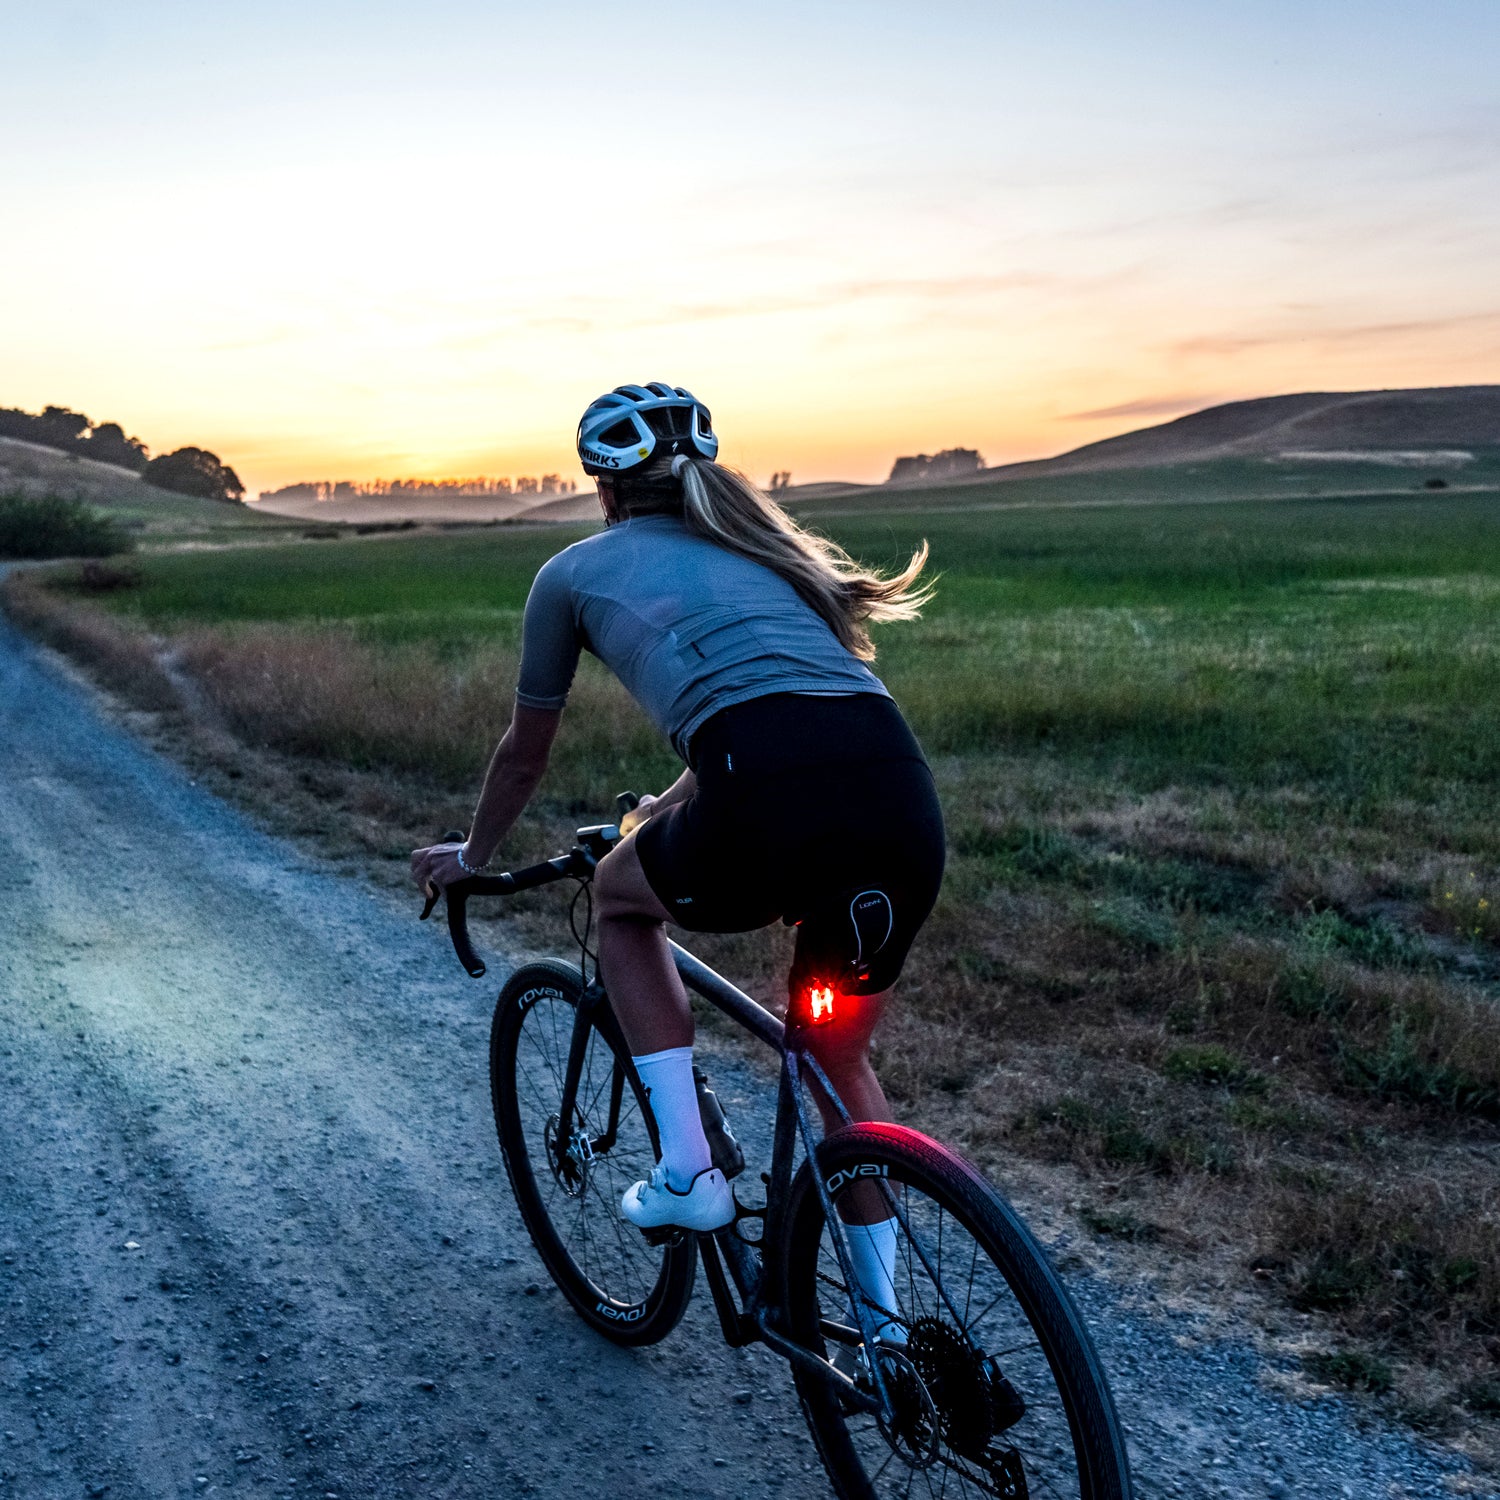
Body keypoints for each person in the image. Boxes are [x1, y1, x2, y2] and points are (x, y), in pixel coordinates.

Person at [411, 383, 944, 1326]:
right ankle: (890, 1331)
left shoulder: (572, 574)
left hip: (761, 790)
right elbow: (793, 721)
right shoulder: (765, 558)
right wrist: (666, 803)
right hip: (899, 797)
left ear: (604, 490)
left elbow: (525, 751)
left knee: (620, 901)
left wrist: (472, 852)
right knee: (836, 1063)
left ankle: (689, 1171)